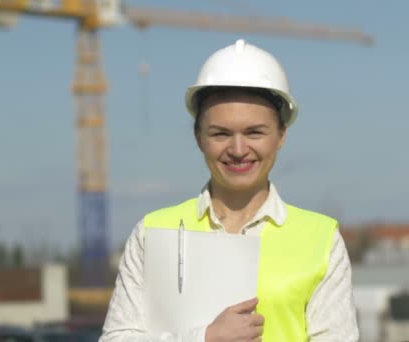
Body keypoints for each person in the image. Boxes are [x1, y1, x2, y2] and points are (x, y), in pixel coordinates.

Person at [99, 39, 358, 341]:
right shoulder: (152, 233)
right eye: (221, 133)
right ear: (199, 138)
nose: (238, 149)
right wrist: (204, 338)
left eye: (254, 132)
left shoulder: (321, 241)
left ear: (281, 135)